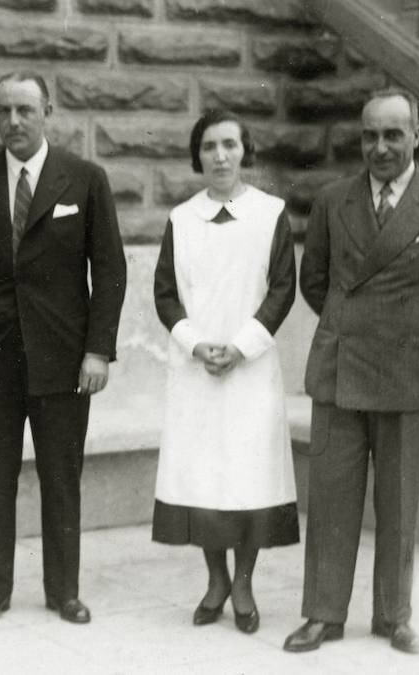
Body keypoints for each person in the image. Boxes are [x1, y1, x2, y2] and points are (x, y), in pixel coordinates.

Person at [0, 71, 126, 625]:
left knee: (61, 477)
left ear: (48, 111)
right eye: (2, 111)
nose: (12, 121)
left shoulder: (84, 179)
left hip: (64, 358)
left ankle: (63, 590)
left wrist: (98, 350)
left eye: (24, 109)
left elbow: (110, 271)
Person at [284, 87, 419, 655]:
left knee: (399, 502)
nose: (380, 147)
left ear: (416, 135)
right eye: (370, 135)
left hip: (409, 371)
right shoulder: (332, 201)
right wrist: (352, 326)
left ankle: (394, 616)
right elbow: (313, 281)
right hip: (342, 369)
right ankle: (324, 614)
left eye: (393, 134)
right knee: (331, 499)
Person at [152, 109, 299, 636]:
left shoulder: (270, 214)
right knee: (204, 481)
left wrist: (240, 347)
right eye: (210, 146)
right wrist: (196, 346)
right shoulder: (181, 219)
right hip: (196, 373)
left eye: (230, 145)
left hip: (250, 372)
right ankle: (215, 579)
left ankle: (244, 583)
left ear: (245, 151)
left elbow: (283, 288)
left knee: (249, 478)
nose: (220, 156)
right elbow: (165, 293)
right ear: (198, 155)